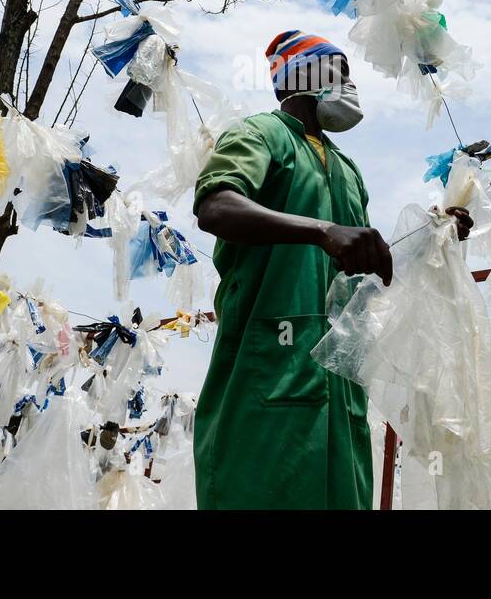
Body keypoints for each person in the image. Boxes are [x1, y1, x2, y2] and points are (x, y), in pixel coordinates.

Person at [191, 30, 470, 509]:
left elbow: (365, 271)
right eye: (338, 70)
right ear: (299, 76)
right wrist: (323, 230)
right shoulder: (260, 135)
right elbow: (216, 206)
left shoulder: (347, 169)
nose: (348, 82)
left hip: (341, 387)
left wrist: (432, 239)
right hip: (267, 370)